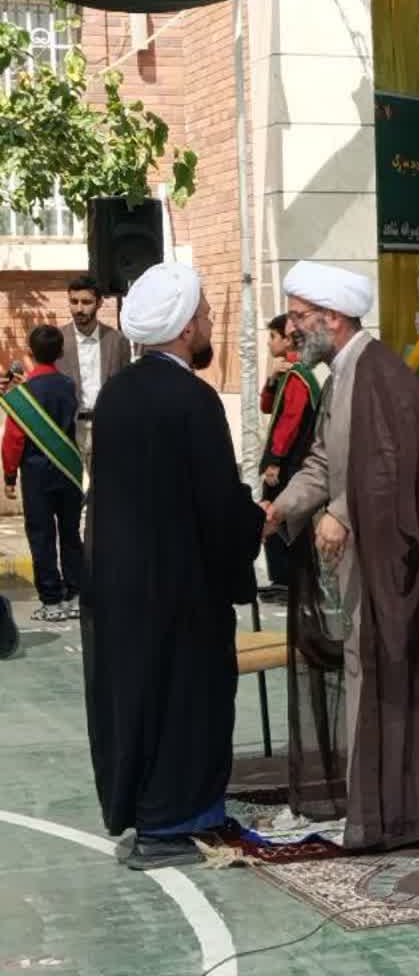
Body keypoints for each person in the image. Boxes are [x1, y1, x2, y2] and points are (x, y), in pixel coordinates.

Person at [262, 260, 419, 851]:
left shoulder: (379, 373)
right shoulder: (341, 374)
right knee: (367, 673)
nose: (292, 329)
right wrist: (279, 509)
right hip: (373, 555)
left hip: (406, 558)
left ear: (332, 317)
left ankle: (400, 807)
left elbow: (388, 471)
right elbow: (326, 460)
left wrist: (341, 514)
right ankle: (374, 798)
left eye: (300, 317)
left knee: (392, 675)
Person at [83, 263, 264, 869]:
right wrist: (253, 522)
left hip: (121, 581)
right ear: (186, 329)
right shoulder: (193, 399)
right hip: (181, 586)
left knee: (138, 699)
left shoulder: (116, 393)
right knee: (187, 699)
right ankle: (169, 827)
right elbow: (215, 502)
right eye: (206, 314)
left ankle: (165, 815)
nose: (211, 321)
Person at [2, 327, 83, 622]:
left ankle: (51, 601)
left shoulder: (23, 394)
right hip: (68, 470)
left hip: (37, 474)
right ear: (60, 352)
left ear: (30, 352)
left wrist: (9, 477)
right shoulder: (69, 385)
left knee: (42, 535)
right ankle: (76, 594)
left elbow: (13, 440)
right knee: (71, 534)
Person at [257, 313, 322, 601]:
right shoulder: (286, 373)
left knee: (278, 516)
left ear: (287, 340)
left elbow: (290, 421)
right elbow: (267, 407)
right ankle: (283, 578)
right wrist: (271, 379)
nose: (269, 342)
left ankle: (289, 580)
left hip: (290, 462)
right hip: (287, 459)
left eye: (273, 336)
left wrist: (274, 460)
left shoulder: (298, 374)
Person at [58, 273, 130, 470]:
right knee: (71, 487)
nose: (79, 309)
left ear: (99, 303)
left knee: (104, 486)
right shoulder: (58, 340)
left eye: (86, 302)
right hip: (68, 428)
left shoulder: (117, 340)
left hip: (107, 427)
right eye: (74, 301)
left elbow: (125, 388)